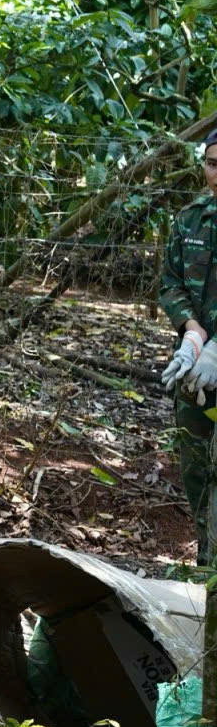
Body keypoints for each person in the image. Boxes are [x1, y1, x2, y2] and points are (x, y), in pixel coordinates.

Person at [157, 130, 217, 566]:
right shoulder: (191, 218)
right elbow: (171, 282)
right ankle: (208, 568)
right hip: (195, 367)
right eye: (213, 163)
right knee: (196, 468)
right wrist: (193, 334)